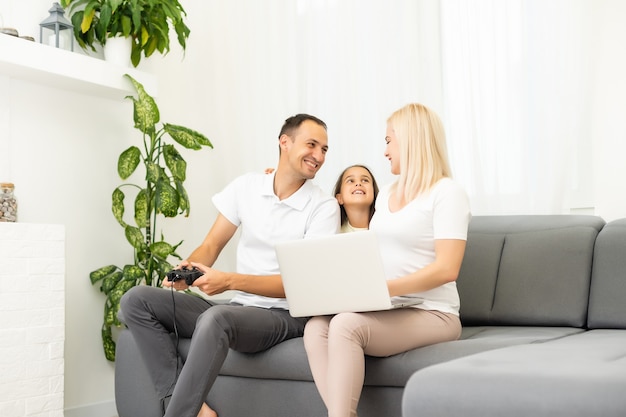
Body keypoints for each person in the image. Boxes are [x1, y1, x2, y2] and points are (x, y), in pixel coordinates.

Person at [120, 113, 340, 417]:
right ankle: (188, 408)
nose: (318, 156)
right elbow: (212, 244)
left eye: (324, 149)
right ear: (284, 142)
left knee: (216, 319)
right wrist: (190, 269)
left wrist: (229, 281)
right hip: (240, 307)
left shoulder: (323, 207)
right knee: (135, 300)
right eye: (312, 145)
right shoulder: (247, 186)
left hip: (285, 314)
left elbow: (303, 286)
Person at [303, 103, 471, 417]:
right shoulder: (388, 193)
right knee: (315, 328)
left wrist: (384, 288)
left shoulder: (447, 193)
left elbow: (448, 268)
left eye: (388, 141)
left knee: (345, 326)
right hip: (390, 305)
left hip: (434, 312)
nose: (385, 151)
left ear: (410, 141)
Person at [332, 164, 379, 233]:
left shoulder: (386, 227)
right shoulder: (334, 233)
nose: (358, 183)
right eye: (350, 181)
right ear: (340, 198)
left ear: (374, 193)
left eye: (365, 180)